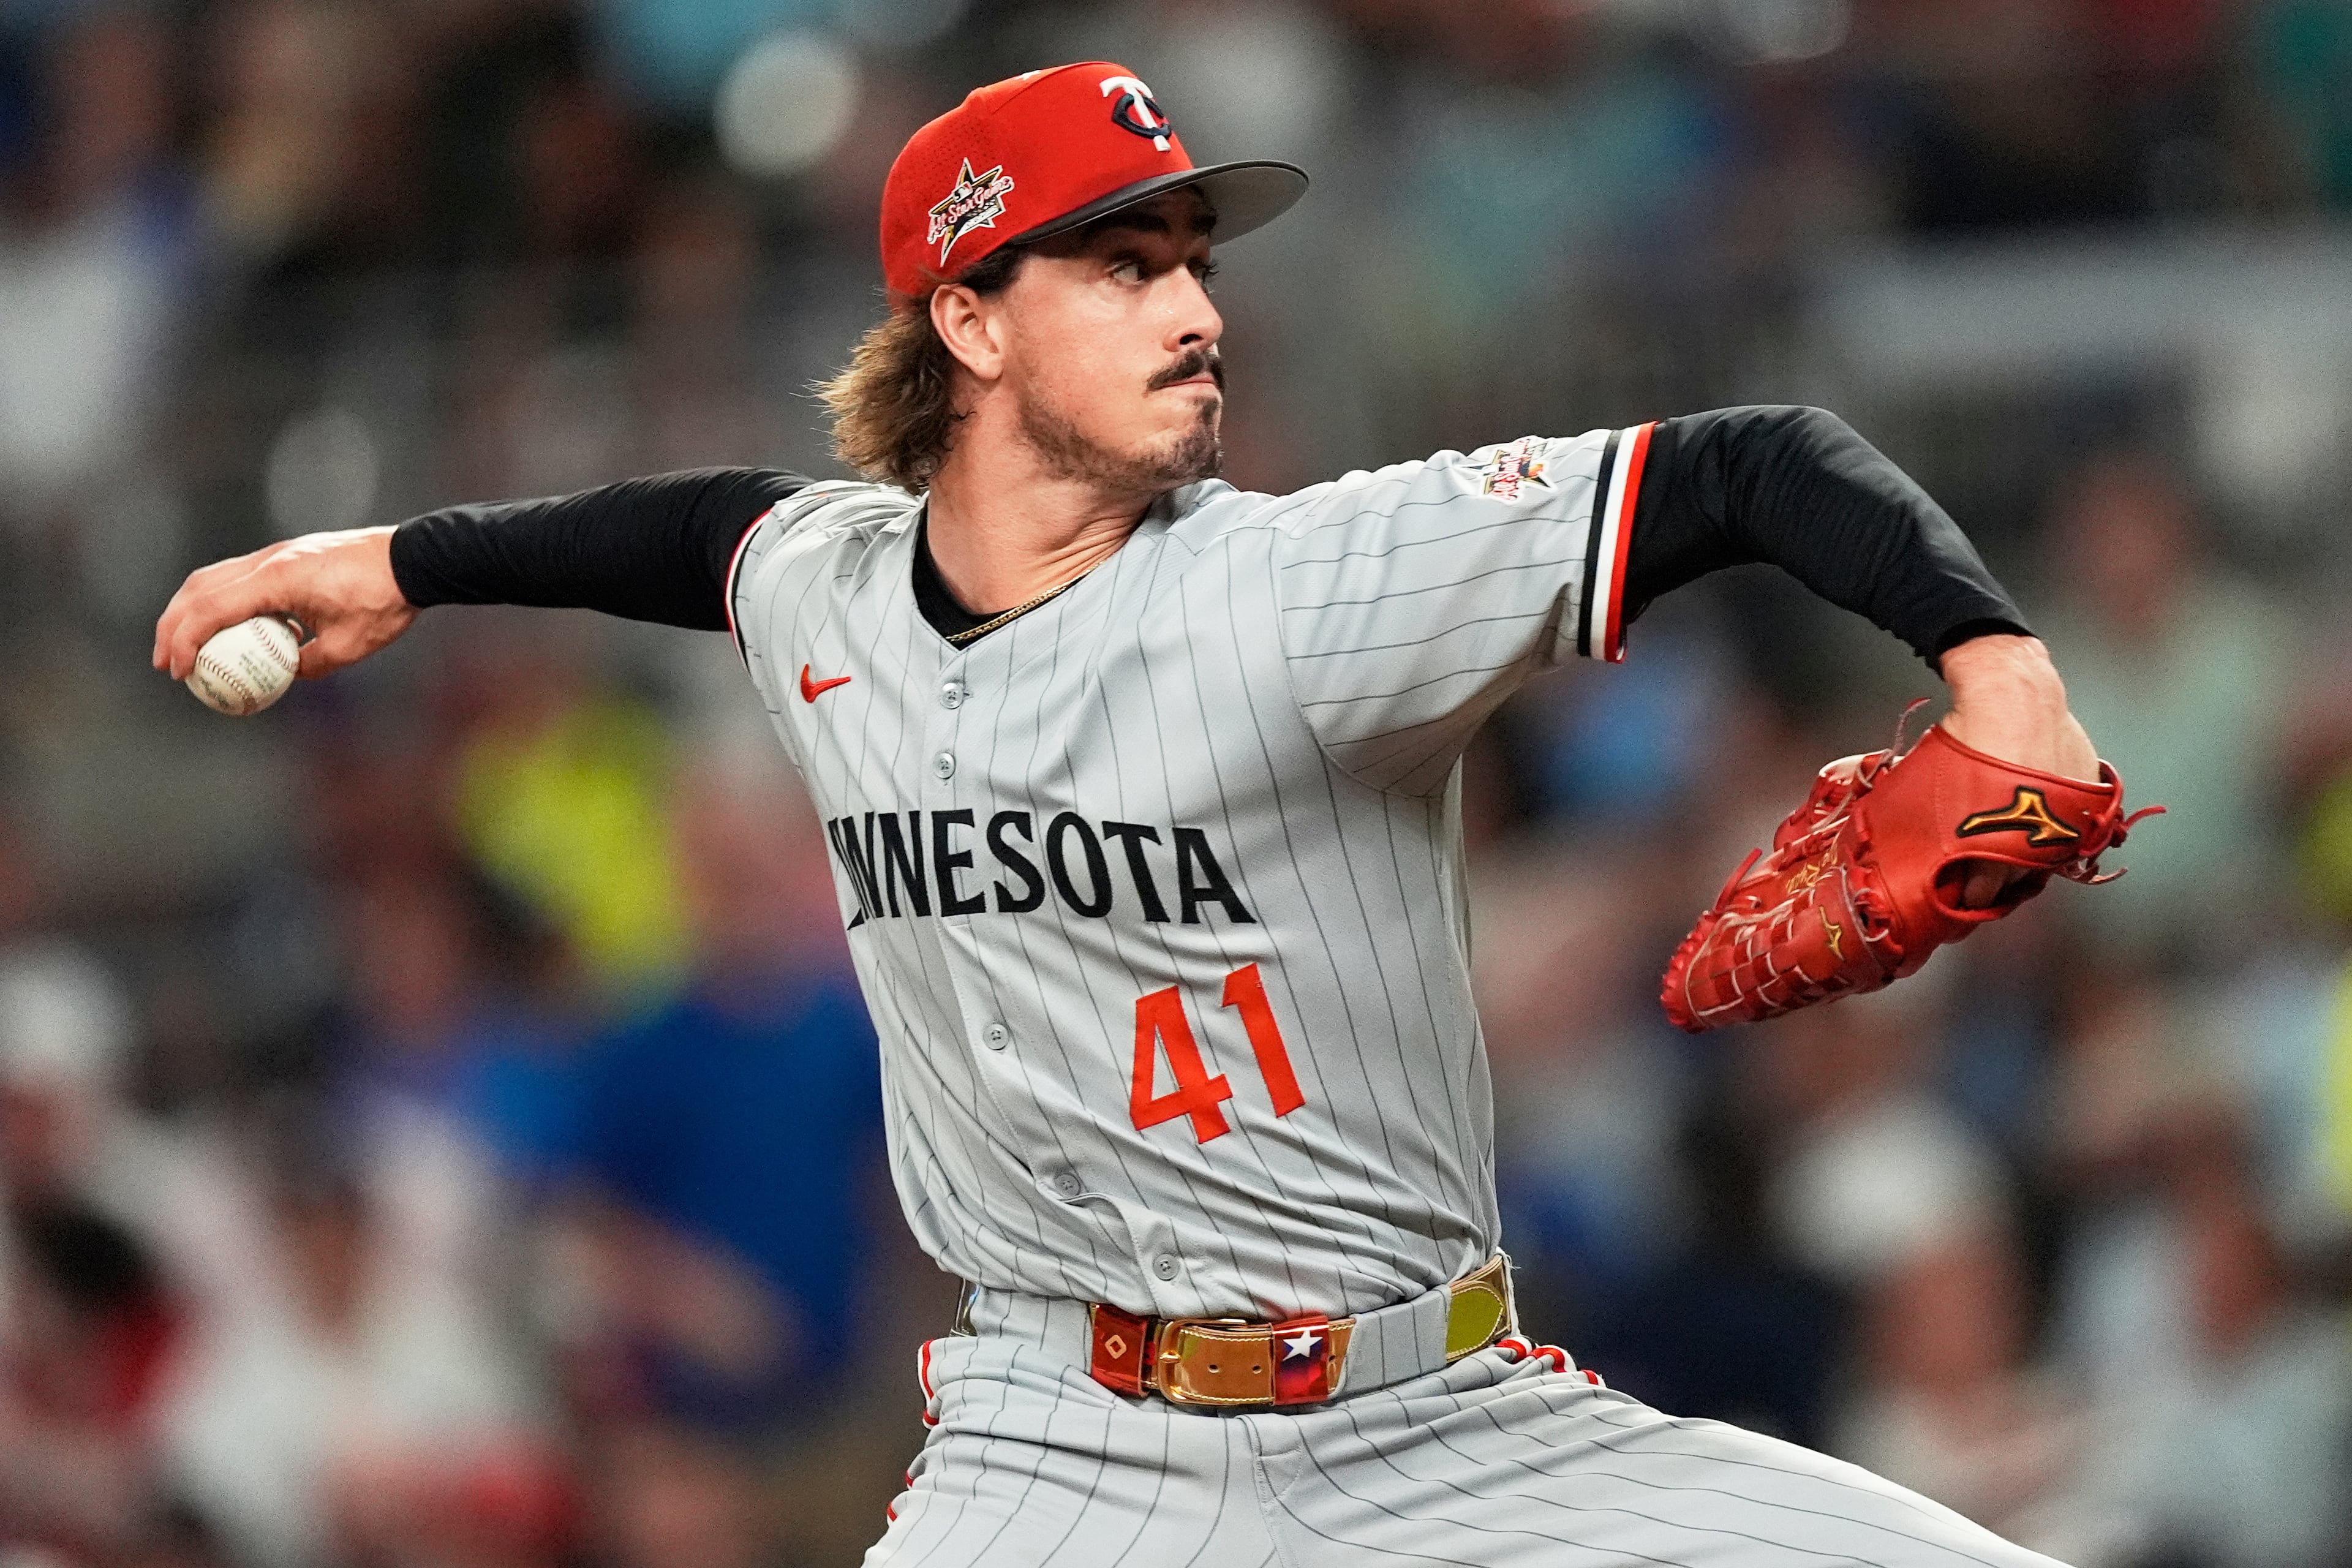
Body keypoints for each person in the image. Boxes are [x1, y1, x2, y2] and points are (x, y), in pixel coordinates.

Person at [156, 61, 2102, 1568]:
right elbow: (690, 536)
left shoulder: (1310, 585)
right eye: (1123, 263)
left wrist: (1998, 673)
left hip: (1442, 1431)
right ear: (973, 322)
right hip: (1061, 1453)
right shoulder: (827, 585)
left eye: (1195, 261)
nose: (1194, 309)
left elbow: (1758, 461)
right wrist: (396, 560)